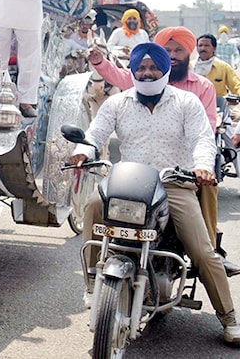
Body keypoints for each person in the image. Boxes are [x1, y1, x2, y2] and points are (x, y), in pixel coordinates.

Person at [70, 42, 240, 344]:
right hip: (129, 180)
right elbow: (95, 132)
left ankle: (229, 317)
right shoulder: (118, 103)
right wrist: (82, 151)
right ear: (133, 71)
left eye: (153, 67)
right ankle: (92, 282)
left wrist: (202, 166)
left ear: (165, 69)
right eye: (141, 68)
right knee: (94, 206)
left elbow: (203, 138)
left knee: (202, 250)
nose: (147, 73)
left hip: (174, 182)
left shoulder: (186, 102)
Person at [88, 26, 240, 276]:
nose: (171, 55)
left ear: (188, 53)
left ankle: (211, 251)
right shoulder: (140, 83)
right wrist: (100, 63)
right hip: (135, 176)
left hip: (185, 169)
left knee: (208, 190)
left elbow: (206, 130)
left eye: (178, 50)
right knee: (95, 204)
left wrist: (201, 163)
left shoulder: (199, 88)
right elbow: (119, 78)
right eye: (166, 50)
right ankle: (94, 274)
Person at [196, 34, 240, 98]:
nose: (203, 48)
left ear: (214, 48)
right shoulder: (190, 67)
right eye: (200, 45)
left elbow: (236, 85)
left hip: (218, 106)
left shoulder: (224, 67)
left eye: (207, 45)